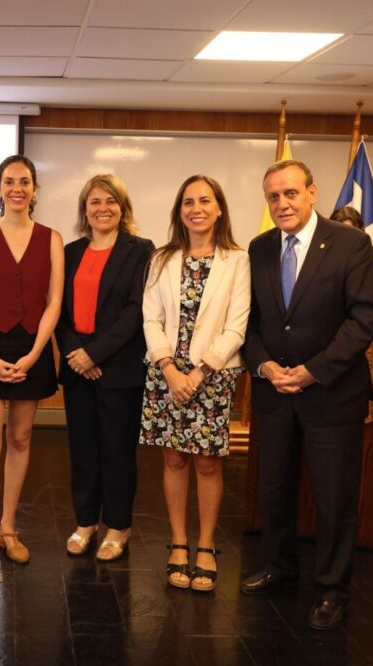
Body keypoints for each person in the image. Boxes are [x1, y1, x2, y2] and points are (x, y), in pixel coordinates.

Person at [240, 160, 373, 630]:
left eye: (291, 193)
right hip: (275, 392)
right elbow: (252, 322)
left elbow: (363, 320)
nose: (282, 203)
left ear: (312, 192)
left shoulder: (352, 244)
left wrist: (312, 371)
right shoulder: (258, 248)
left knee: (333, 497)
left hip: (331, 395)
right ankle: (279, 567)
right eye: (273, 196)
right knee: (275, 489)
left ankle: (332, 589)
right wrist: (264, 365)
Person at [140, 175, 250, 592]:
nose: (196, 208)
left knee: (207, 461)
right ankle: (179, 543)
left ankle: (205, 545)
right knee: (173, 460)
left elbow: (237, 326)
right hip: (165, 373)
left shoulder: (237, 260)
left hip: (213, 375)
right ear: (179, 210)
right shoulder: (162, 258)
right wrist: (169, 368)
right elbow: (151, 317)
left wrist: (200, 372)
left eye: (205, 201)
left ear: (219, 208)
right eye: (188, 202)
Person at [0, 154, 64, 590]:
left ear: (35, 189)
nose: (17, 188)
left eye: (24, 181)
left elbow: (53, 302)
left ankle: (8, 529)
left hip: (34, 348)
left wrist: (36, 352)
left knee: (20, 439)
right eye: (9, 181)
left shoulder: (52, 238)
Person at [56, 174, 153, 561]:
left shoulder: (141, 250)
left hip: (120, 369)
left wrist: (95, 354)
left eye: (111, 201)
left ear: (123, 207)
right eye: (95, 201)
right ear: (84, 209)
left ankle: (118, 525)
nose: (103, 208)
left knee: (117, 450)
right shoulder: (70, 252)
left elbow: (136, 311)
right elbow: (58, 309)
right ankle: (85, 522)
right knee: (82, 449)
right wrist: (76, 354)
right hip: (77, 367)